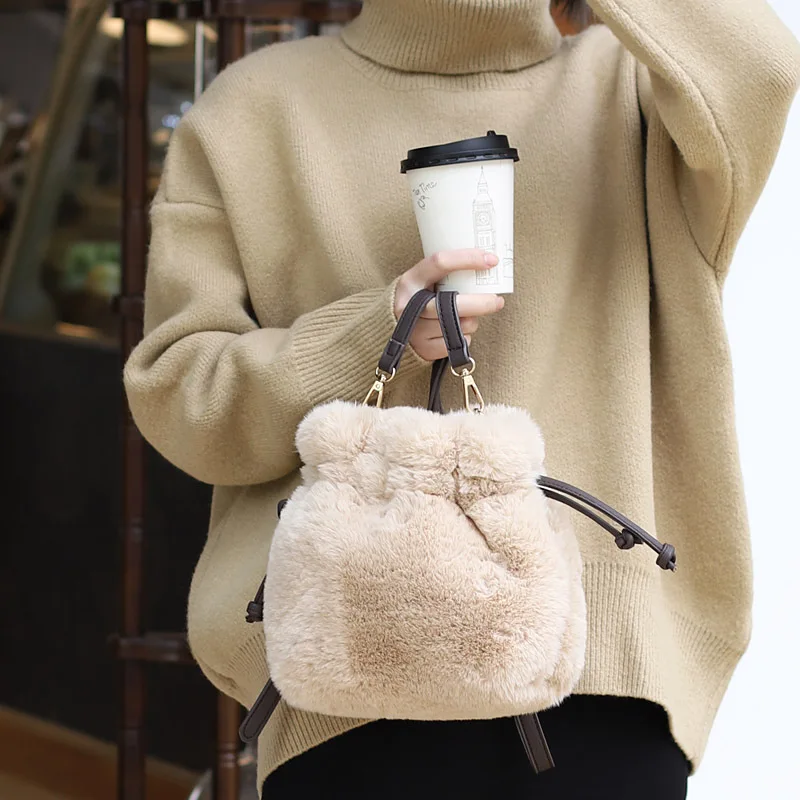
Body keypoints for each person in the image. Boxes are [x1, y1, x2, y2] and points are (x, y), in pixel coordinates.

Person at [123, 1, 800, 797]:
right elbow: (182, 397)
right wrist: (371, 336)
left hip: (605, 672)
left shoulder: (640, 89)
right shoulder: (251, 111)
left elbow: (762, 65)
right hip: (345, 677)